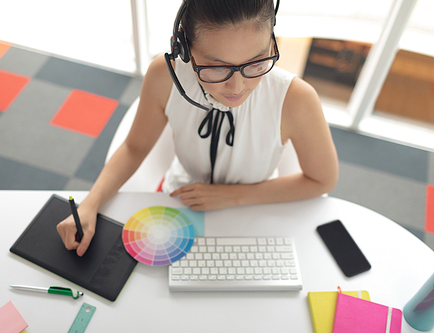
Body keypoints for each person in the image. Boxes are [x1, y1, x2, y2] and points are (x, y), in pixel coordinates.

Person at [57, 0, 339, 257]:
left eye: (256, 62)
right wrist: (89, 205)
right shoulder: (164, 76)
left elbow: (323, 180)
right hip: (182, 198)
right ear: (185, 48)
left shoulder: (297, 99)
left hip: (258, 208)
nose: (237, 87)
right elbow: (135, 147)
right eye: (217, 68)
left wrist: (233, 196)